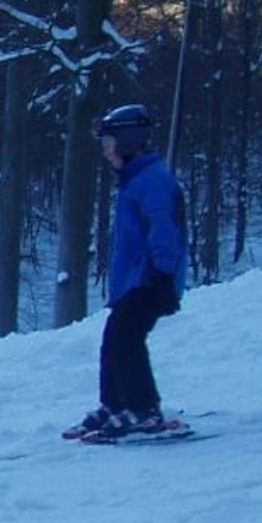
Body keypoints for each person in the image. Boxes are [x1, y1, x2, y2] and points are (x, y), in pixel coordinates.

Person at [67, 102, 188, 442]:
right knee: (113, 341)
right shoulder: (135, 182)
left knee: (126, 340)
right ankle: (115, 405)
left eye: (109, 145)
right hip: (133, 282)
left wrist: (162, 275)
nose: (106, 153)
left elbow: (165, 233)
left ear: (128, 142)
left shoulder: (152, 182)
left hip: (151, 281)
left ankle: (144, 410)